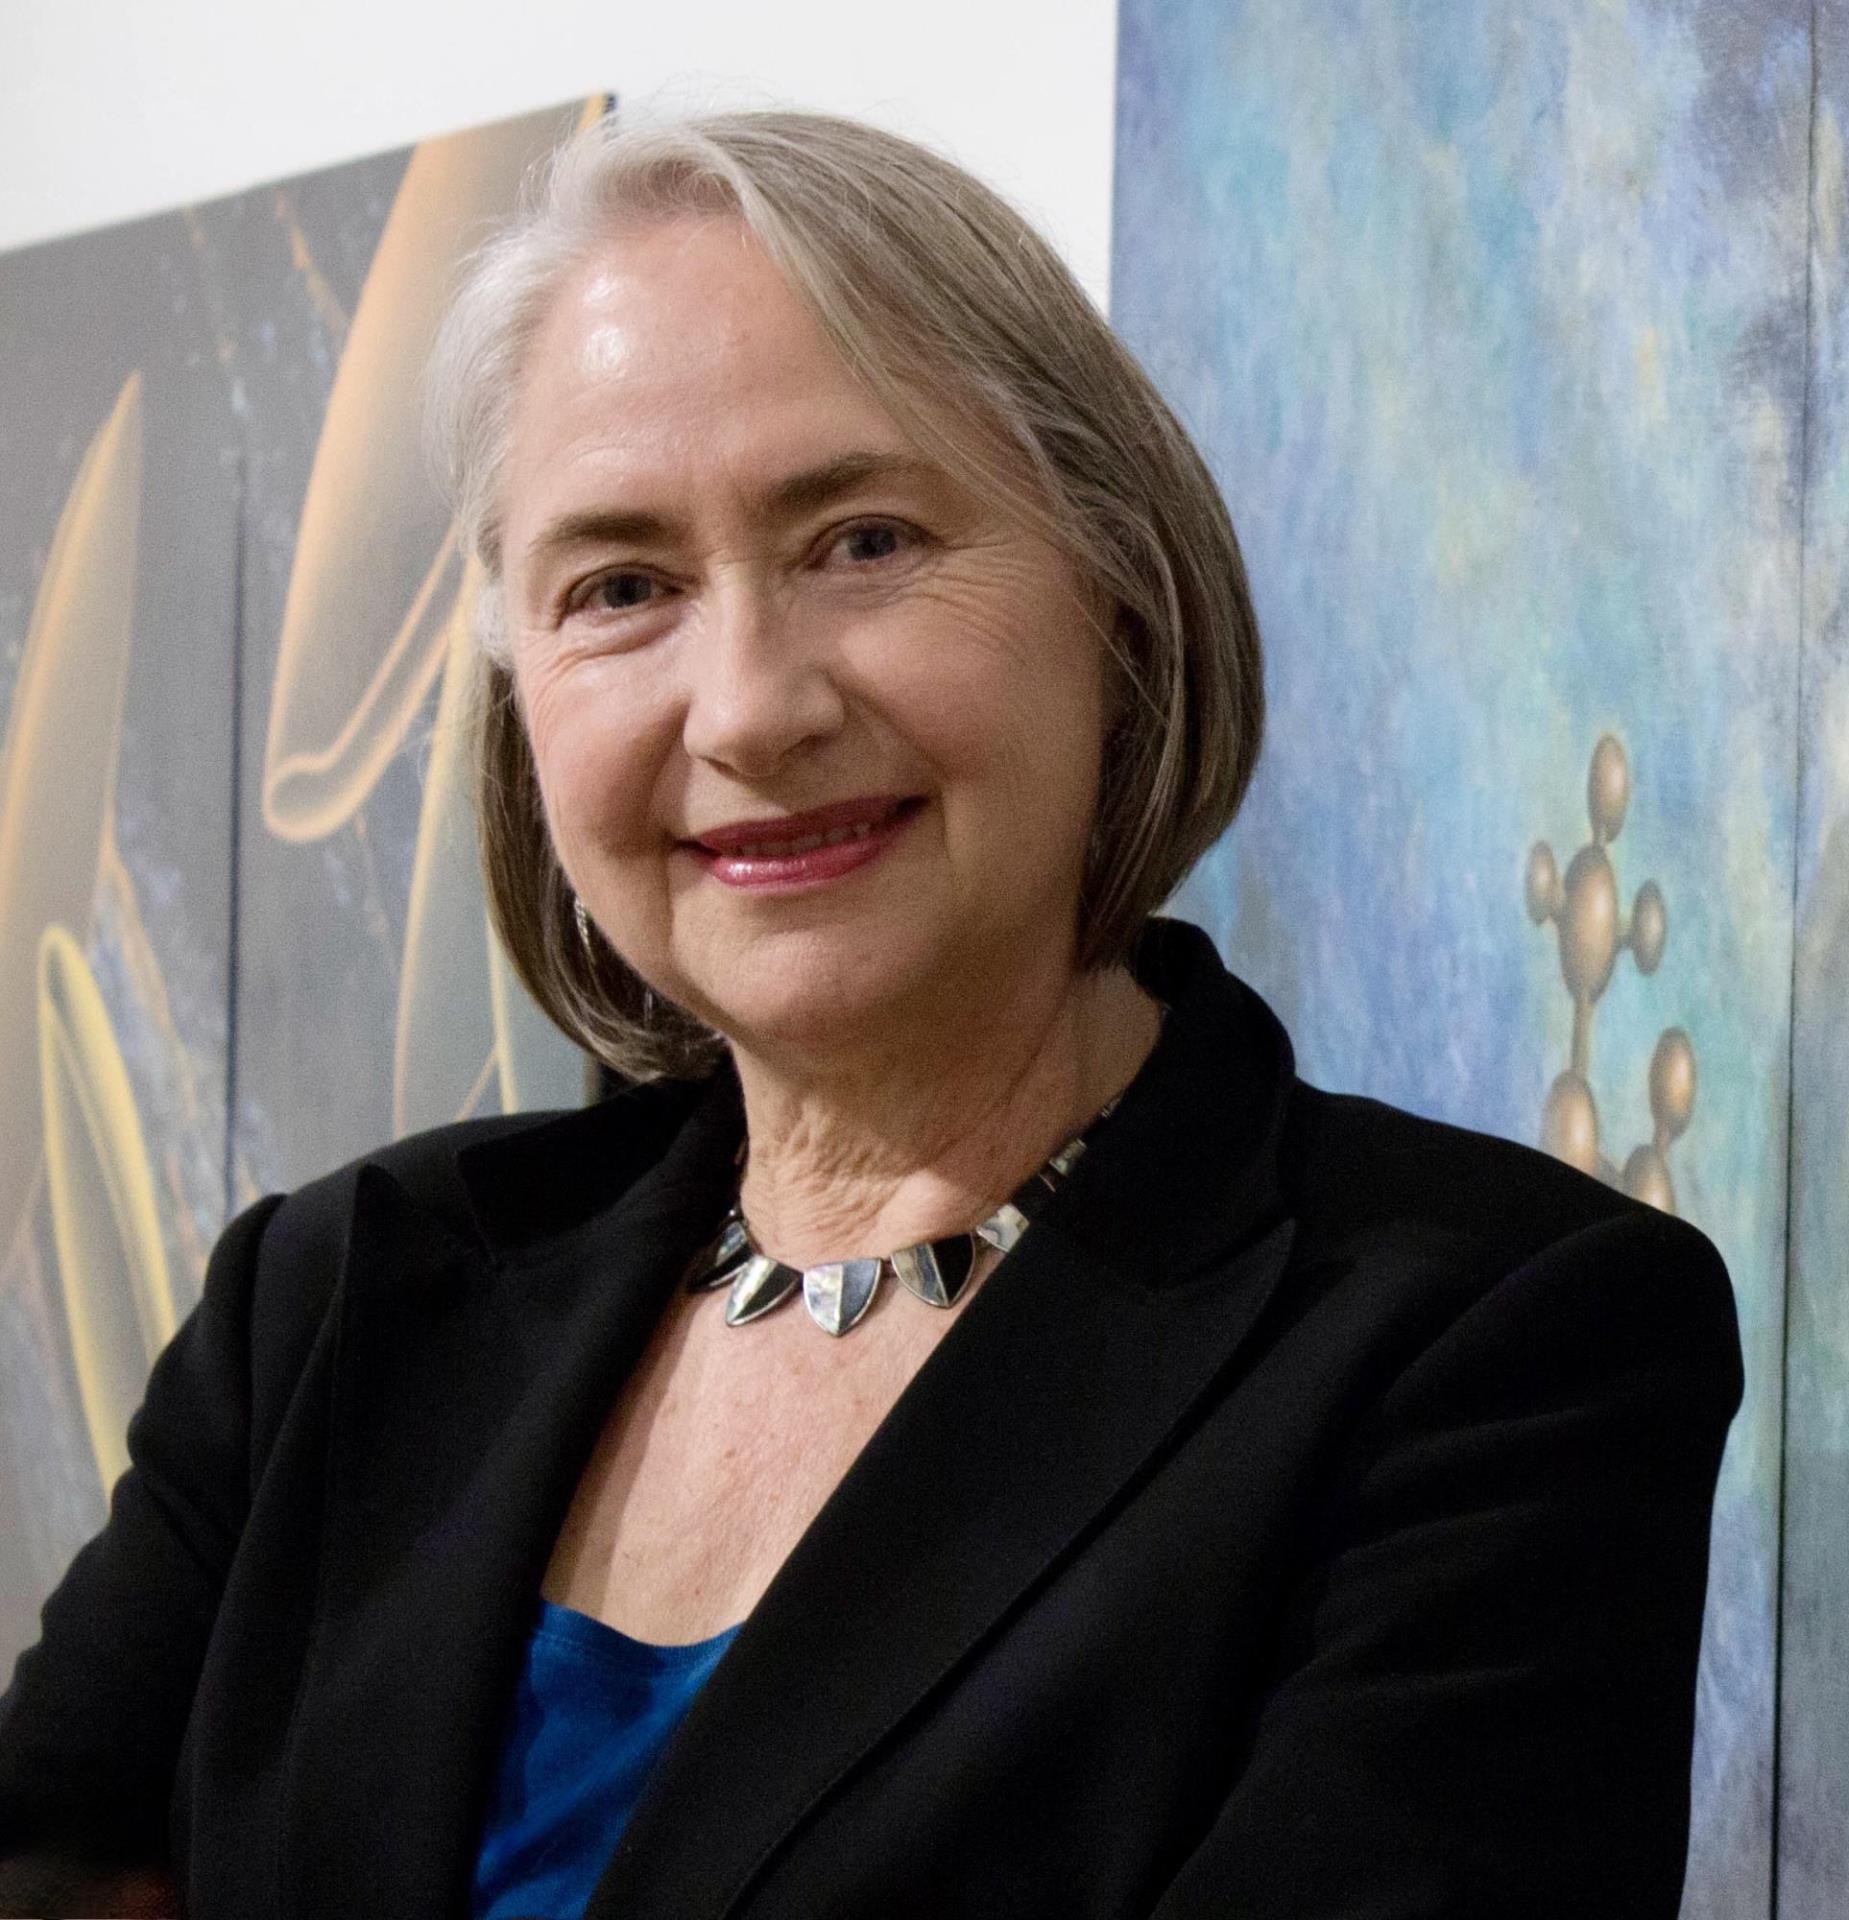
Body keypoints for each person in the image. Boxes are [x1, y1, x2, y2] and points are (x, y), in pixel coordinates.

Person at [0, 108, 1742, 1919]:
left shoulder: (1493, 1354)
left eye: (864, 540)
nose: (748, 706)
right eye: (622, 588)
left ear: (1118, 594)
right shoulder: (334, 1302)